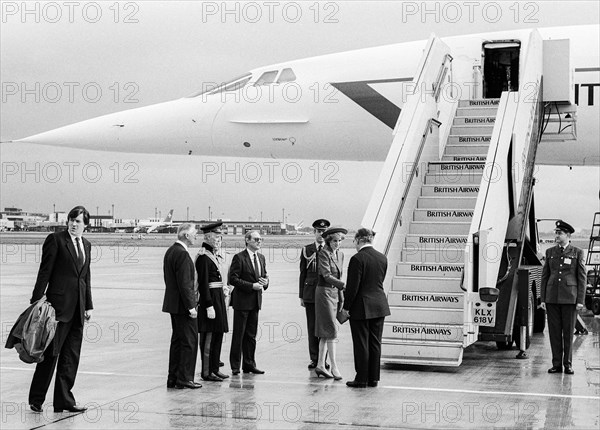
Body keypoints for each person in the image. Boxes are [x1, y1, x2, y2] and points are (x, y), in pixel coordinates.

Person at [28, 205, 93, 413]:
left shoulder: (87, 244)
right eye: (72, 220)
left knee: (70, 357)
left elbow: (85, 278)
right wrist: (37, 302)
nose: (74, 224)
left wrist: (88, 305)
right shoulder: (56, 240)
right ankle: (37, 399)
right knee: (50, 354)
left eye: (78, 221)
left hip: (78, 309)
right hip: (57, 309)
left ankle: (64, 400)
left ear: (86, 225)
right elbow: (44, 271)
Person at [340, 228, 390, 388]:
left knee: (361, 343)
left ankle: (361, 378)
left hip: (362, 307)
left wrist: (346, 308)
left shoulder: (357, 259)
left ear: (358, 240)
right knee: (375, 343)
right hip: (379, 305)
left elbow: (353, 287)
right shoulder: (382, 258)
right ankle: (373, 378)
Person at [541, 220, 586, 375]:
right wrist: (542, 299)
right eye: (556, 233)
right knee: (554, 332)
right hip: (552, 298)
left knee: (568, 333)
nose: (557, 236)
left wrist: (580, 301)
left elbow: (582, 278)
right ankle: (556, 364)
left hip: (569, 299)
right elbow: (545, 276)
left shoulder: (577, 252)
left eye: (559, 233)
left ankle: (567, 364)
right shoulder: (550, 252)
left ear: (568, 235)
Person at [162, 223, 201, 389]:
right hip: (183, 306)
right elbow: (185, 284)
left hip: (173, 304)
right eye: (194, 234)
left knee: (177, 342)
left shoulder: (171, 251)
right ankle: (185, 378)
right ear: (186, 235)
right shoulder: (183, 255)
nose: (196, 237)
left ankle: (174, 377)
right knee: (189, 342)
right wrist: (191, 307)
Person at [228, 230, 269, 375]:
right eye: (256, 239)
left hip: (255, 301)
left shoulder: (261, 258)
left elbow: (264, 276)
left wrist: (266, 282)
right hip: (242, 301)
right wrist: (251, 286)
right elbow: (233, 279)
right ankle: (235, 366)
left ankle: (249, 364)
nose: (259, 242)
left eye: (260, 239)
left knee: (251, 335)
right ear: (247, 240)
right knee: (239, 335)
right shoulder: (239, 258)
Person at [195, 222, 229, 382]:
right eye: (216, 236)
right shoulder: (203, 257)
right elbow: (203, 283)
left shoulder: (213, 255)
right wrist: (208, 305)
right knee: (208, 338)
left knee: (218, 335)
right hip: (210, 300)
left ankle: (215, 368)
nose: (218, 239)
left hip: (218, 298)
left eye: (219, 236)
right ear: (207, 237)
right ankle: (207, 371)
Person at [314, 227, 347, 381]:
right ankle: (334, 366)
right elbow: (326, 275)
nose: (337, 243)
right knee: (331, 331)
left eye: (339, 241)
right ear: (329, 241)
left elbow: (340, 274)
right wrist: (343, 285)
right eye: (335, 241)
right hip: (324, 293)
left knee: (325, 332)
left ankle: (320, 364)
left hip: (335, 294)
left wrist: (341, 298)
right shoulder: (323, 253)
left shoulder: (340, 255)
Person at [299, 218, 330, 369]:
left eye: (324, 232)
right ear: (314, 232)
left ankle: (323, 359)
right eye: (319, 231)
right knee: (312, 327)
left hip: (325, 295)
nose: (321, 234)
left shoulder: (331, 249)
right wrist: (301, 295)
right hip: (310, 293)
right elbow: (302, 274)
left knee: (324, 327)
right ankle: (314, 358)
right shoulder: (307, 250)